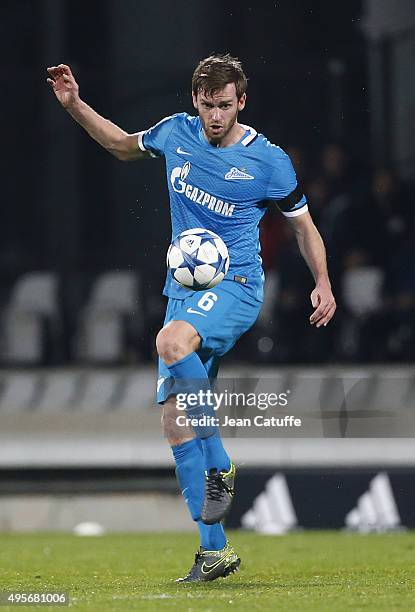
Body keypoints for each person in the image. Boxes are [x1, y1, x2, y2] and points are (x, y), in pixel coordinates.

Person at [47, 54, 336, 582]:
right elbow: (118, 144)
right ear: (195, 102)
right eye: (208, 106)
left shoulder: (269, 162)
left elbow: (303, 227)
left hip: (237, 286)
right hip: (183, 291)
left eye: (225, 106)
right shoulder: (174, 134)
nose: (216, 117)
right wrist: (74, 106)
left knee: (170, 342)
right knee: (176, 425)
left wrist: (322, 280)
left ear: (241, 102)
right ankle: (213, 552)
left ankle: (222, 462)